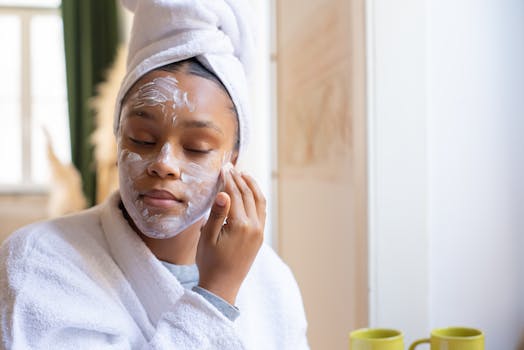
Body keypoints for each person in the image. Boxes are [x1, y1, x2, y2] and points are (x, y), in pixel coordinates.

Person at [0, 0, 309, 349]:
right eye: (142, 138)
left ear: (233, 160)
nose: (164, 162)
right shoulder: (38, 263)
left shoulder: (271, 282)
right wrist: (216, 295)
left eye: (197, 147)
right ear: (117, 136)